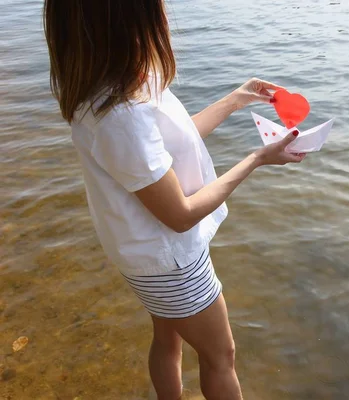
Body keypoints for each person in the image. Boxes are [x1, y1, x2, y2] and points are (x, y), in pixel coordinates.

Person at [43, 1, 306, 399]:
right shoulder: (120, 115)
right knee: (221, 356)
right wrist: (257, 159)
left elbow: (169, 146)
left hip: (144, 253)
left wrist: (236, 99)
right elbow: (180, 215)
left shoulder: (112, 87)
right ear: (131, 21)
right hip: (170, 261)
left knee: (168, 339)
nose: (165, 18)